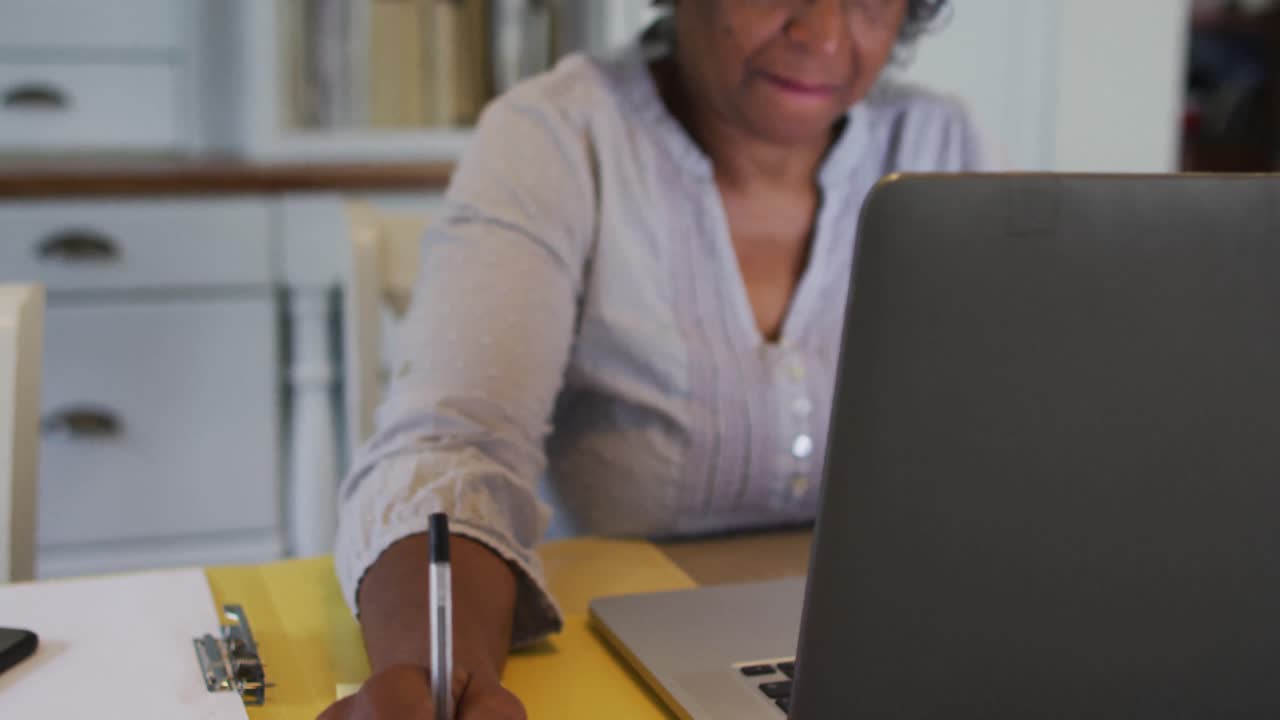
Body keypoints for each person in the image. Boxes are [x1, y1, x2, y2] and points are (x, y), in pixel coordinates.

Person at [322, 1, 991, 717]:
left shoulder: (940, 146)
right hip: (603, 667)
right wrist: (438, 678)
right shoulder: (560, 136)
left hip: (885, 665)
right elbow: (453, 451)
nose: (823, 36)